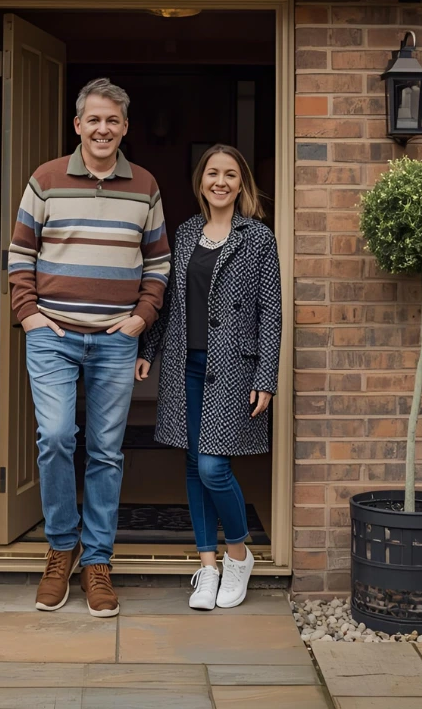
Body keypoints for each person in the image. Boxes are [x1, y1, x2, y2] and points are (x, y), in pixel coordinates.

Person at [8, 78, 170, 618]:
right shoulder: (46, 180)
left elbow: (158, 264)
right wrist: (28, 315)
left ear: (124, 127)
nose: (103, 129)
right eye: (94, 120)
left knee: (105, 451)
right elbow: (19, 254)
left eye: (113, 121)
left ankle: (97, 561)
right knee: (55, 436)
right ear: (78, 125)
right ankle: (61, 549)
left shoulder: (144, 185)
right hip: (52, 335)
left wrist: (142, 318)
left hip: (115, 341)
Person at [137, 144, 280, 611]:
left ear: (242, 185)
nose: (221, 182)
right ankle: (207, 567)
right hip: (186, 364)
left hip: (235, 368)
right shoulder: (185, 232)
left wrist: (267, 374)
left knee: (215, 467)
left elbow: (270, 311)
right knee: (193, 466)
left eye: (230, 175)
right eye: (213, 173)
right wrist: (150, 351)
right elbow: (171, 301)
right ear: (201, 181)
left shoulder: (258, 237)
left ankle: (238, 555)